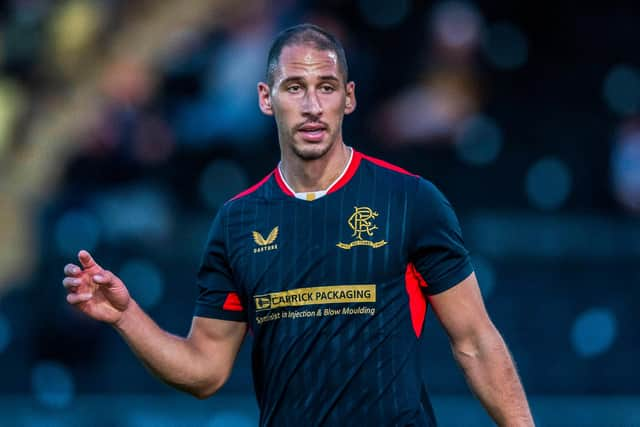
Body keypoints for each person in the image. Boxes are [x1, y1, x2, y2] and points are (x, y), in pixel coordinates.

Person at [63, 23, 534, 427]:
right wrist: (127, 317)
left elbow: (475, 342)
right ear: (266, 99)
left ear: (348, 98)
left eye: (327, 87)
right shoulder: (237, 222)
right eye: (294, 87)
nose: (312, 105)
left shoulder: (409, 199)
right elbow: (205, 371)